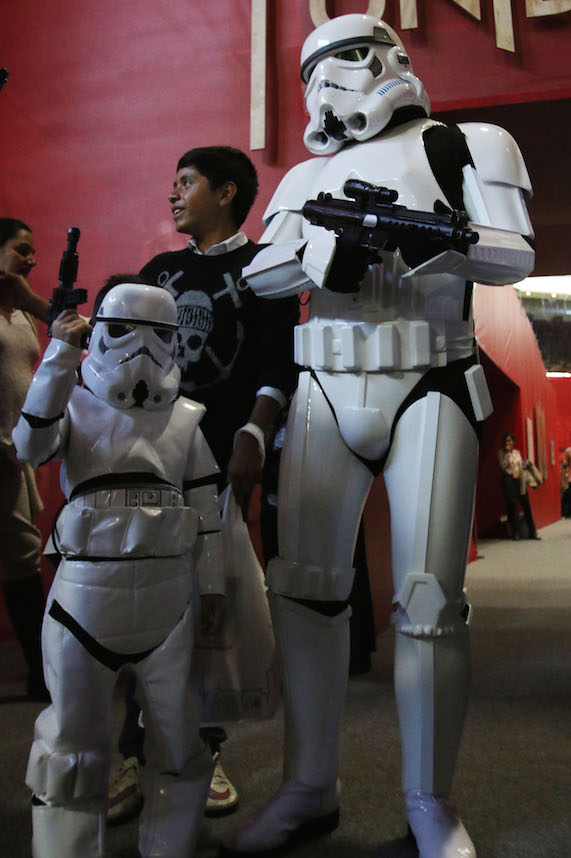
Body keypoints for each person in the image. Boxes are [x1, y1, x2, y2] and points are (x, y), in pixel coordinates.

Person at [221, 13, 535, 858]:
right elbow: (259, 274)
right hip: (325, 382)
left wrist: (436, 244)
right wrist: (327, 254)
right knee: (306, 590)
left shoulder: (468, 145)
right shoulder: (304, 176)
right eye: (316, 69)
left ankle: (430, 800)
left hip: (428, 376)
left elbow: (515, 253)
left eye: (350, 60)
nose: (332, 82)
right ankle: (307, 786)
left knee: (430, 604)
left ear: (391, 57)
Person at [108, 145, 300, 822]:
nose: (172, 193)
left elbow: (282, 359)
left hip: (219, 459)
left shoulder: (266, 267)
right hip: (152, 461)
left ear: (224, 192)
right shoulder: (161, 272)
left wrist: (254, 431)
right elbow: (122, 344)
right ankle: (129, 749)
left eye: (185, 183)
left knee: (207, 603)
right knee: (135, 599)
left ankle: (201, 747)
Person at [13, 280, 225, 858]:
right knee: (72, 748)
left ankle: (168, 846)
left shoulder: (185, 419)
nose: (141, 348)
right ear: (98, 332)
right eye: (124, 331)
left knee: (179, 742)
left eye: (159, 335)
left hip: (169, 604)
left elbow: (206, 510)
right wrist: (58, 354)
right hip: (85, 602)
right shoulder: (73, 404)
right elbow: (30, 446)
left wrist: (212, 586)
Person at [0, 217, 52, 700]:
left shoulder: (20, 312)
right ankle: (42, 676)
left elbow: (65, 327)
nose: (31, 258)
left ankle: (41, 674)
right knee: (20, 557)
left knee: (21, 557)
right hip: (0, 451)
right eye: (21, 249)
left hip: (15, 452)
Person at [496, 432, 540, 540]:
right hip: (508, 480)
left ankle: (532, 532)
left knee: (526, 504)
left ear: (514, 442)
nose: (508, 443)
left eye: (510, 441)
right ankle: (514, 532)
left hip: (519, 480)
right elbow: (503, 465)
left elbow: (520, 466)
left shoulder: (517, 453)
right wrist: (507, 453)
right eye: (506, 441)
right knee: (511, 505)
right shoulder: (501, 453)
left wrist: (524, 465)